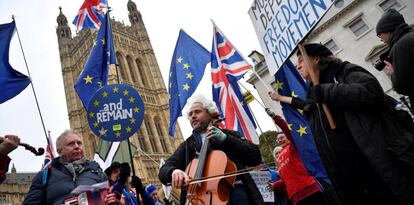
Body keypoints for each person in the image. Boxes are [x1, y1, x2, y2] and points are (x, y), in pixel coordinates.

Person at [270, 43, 414, 205]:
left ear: (316, 58)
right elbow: (307, 106)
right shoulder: (314, 93)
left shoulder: (343, 72)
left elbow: (371, 91)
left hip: (378, 168)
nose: (298, 66)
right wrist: (280, 98)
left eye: (302, 60)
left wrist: (326, 91)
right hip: (351, 180)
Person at [158, 95, 264, 205]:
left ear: (210, 113)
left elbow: (255, 157)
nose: (193, 116)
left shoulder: (229, 135)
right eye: (190, 114)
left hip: (235, 196)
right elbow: (163, 170)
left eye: (197, 112)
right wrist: (173, 171)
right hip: (197, 200)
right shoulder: (187, 146)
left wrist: (227, 140)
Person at [23, 130, 108, 204]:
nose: (77, 146)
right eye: (71, 144)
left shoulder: (97, 172)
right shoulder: (45, 176)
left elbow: (110, 198)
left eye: (79, 143)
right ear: (60, 151)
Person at [266, 110, 324, 205]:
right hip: (295, 198)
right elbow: (285, 179)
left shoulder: (293, 147)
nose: (279, 140)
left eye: (282, 137)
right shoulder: (279, 159)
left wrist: (276, 118)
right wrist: (274, 185)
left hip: (310, 190)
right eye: (278, 139)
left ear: (288, 138)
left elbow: (287, 130)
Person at [376, 8, 414, 113]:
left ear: (388, 30)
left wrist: (393, 73)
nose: (381, 39)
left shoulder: (400, 46)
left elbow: (403, 86)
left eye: (379, 35)